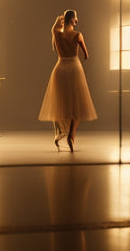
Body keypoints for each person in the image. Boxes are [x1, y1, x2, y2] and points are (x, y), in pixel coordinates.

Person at [38, 10, 97, 151]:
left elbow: (55, 27)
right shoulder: (77, 35)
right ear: (72, 19)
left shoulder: (56, 33)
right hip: (74, 68)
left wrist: (60, 20)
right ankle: (71, 136)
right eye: (76, 17)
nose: (77, 20)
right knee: (77, 106)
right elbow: (86, 55)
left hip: (60, 68)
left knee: (62, 103)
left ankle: (61, 132)